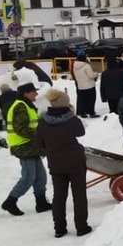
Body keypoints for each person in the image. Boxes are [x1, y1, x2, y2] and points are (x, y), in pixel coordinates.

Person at [35, 89, 91, 237]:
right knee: (79, 195)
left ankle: (59, 229)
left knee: (58, 197)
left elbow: (39, 143)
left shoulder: (43, 122)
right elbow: (81, 132)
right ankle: (81, 227)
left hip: (56, 163)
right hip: (75, 162)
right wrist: (72, 114)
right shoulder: (71, 120)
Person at [2, 83, 50, 216]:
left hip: (30, 146)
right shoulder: (21, 106)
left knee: (41, 176)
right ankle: (11, 201)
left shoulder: (26, 105)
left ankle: (41, 202)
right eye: (33, 92)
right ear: (26, 94)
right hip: (23, 146)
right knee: (28, 176)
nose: (36, 94)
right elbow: (21, 128)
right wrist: (40, 136)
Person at [72, 50, 99, 118]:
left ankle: (82, 112)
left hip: (81, 86)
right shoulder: (86, 66)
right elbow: (91, 76)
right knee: (91, 100)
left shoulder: (74, 65)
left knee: (82, 100)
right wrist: (96, 74)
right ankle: (91, 112)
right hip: (89, 85)